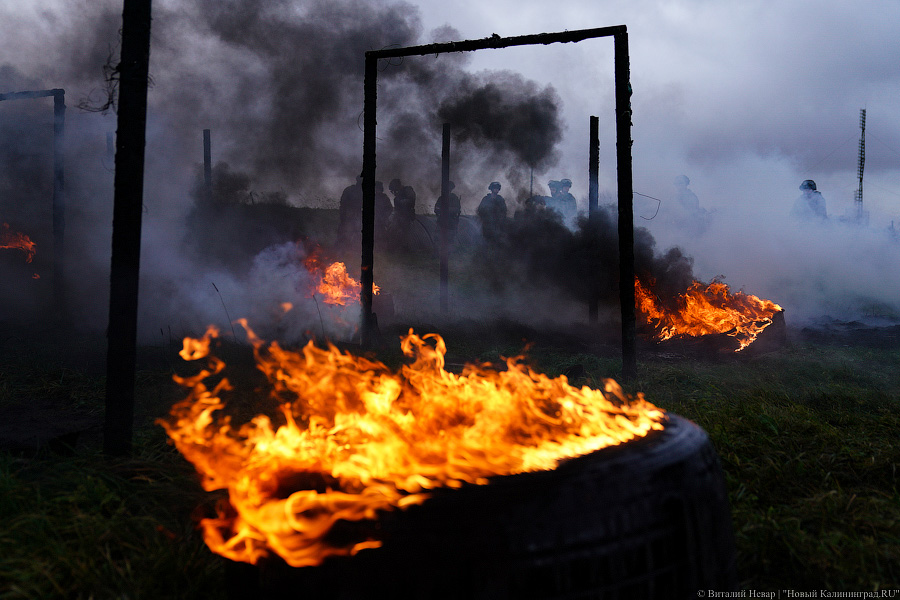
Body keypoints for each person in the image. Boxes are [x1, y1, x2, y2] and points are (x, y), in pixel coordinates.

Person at [337, 175, 363, 244]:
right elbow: (343, 203)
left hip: (354, 214)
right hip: (349, 214)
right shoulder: (351, 190)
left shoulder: (349, 189)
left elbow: (342, 203)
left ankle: (348, 247)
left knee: (355, 232)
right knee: (346, 231)